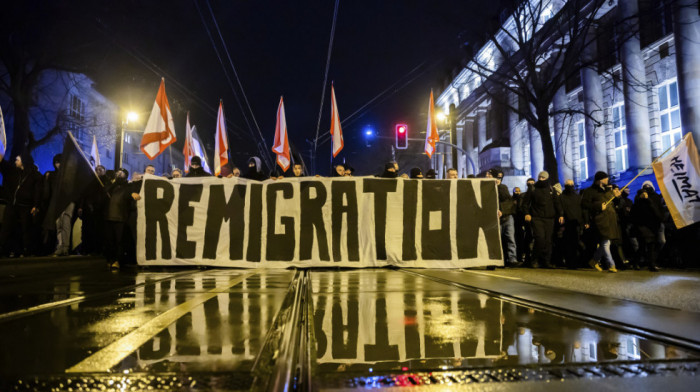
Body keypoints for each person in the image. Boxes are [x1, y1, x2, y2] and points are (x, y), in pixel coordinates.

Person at [0, 152, 43, 257]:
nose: (16, 161)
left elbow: (38, 191)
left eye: (17, 160)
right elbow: (5, 168)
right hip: (13, 205)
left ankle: (26, 250)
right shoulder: (15, 172)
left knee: (25, 229)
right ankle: (3, 249)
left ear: (23, 161)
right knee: (7, 228)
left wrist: (36, 205)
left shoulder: (35, 175)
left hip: (26, 206)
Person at [521, 171, 563, 268]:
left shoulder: (551, 189)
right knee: (540, 239)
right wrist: (527, 213)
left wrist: (561, 214)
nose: (541, 179)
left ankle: (546, 261)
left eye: (543, 178)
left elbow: (557, 203)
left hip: (549, 218)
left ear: (547, 178)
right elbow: (525, 203)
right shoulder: (533, 189)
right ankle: (534, 259)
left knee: (548, 241)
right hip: (537, 218)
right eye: (539, 177)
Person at [581, 171, 621, 272]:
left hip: (610, 220)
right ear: (599, 180)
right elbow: (584, 205)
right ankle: (611, 264)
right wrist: (598, 206)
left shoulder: (607, 191)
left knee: (606, 242)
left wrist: (617, 197)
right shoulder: (589, 191)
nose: (607, 180)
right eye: (605, 178)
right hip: (600, 220)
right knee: (605, 243)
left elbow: (614, 203)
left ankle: (594, 261)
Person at [104, 168, 133, 269]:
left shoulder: (128, 186)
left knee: (119, 241)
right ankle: (110, 259)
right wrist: (114, 183)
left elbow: (130, 197)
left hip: (121, 218)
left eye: (121, 174)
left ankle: (118, 260)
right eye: (118, 173)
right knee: (109, 240)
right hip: (109, 217)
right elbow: (105, 191)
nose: (119, 175)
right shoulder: (112, 186)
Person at [490, 168, 518, 266]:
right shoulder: (489, 188)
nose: (499, 179)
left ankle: (512, 259)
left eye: (500, 177)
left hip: (507, 216)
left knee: (510, 238)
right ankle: (499, 260)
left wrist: (498, 186)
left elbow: (505, 198)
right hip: (496, 217)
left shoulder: (503, 187)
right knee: (498, 240)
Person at [631, 188, 662, 271]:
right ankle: (638, 263)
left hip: (651, 228)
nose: (645, 195)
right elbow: (633, 217)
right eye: (643, 194)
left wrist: (649, 200)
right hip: (641, 228)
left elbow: (656, 213)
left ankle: (650, 264)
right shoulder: (637, 204)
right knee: (643, 246)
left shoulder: (650, 203)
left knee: (650, 247)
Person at [560, 179, 583, 268]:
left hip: (575, 223)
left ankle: (574, 262)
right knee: (568, 244)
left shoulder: (577, 197)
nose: (570, 186)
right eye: (568, 184)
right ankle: (569, 262)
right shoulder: (562, 197)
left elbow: (580, 210)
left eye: (571, 184)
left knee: (575, 243)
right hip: (567, 223)